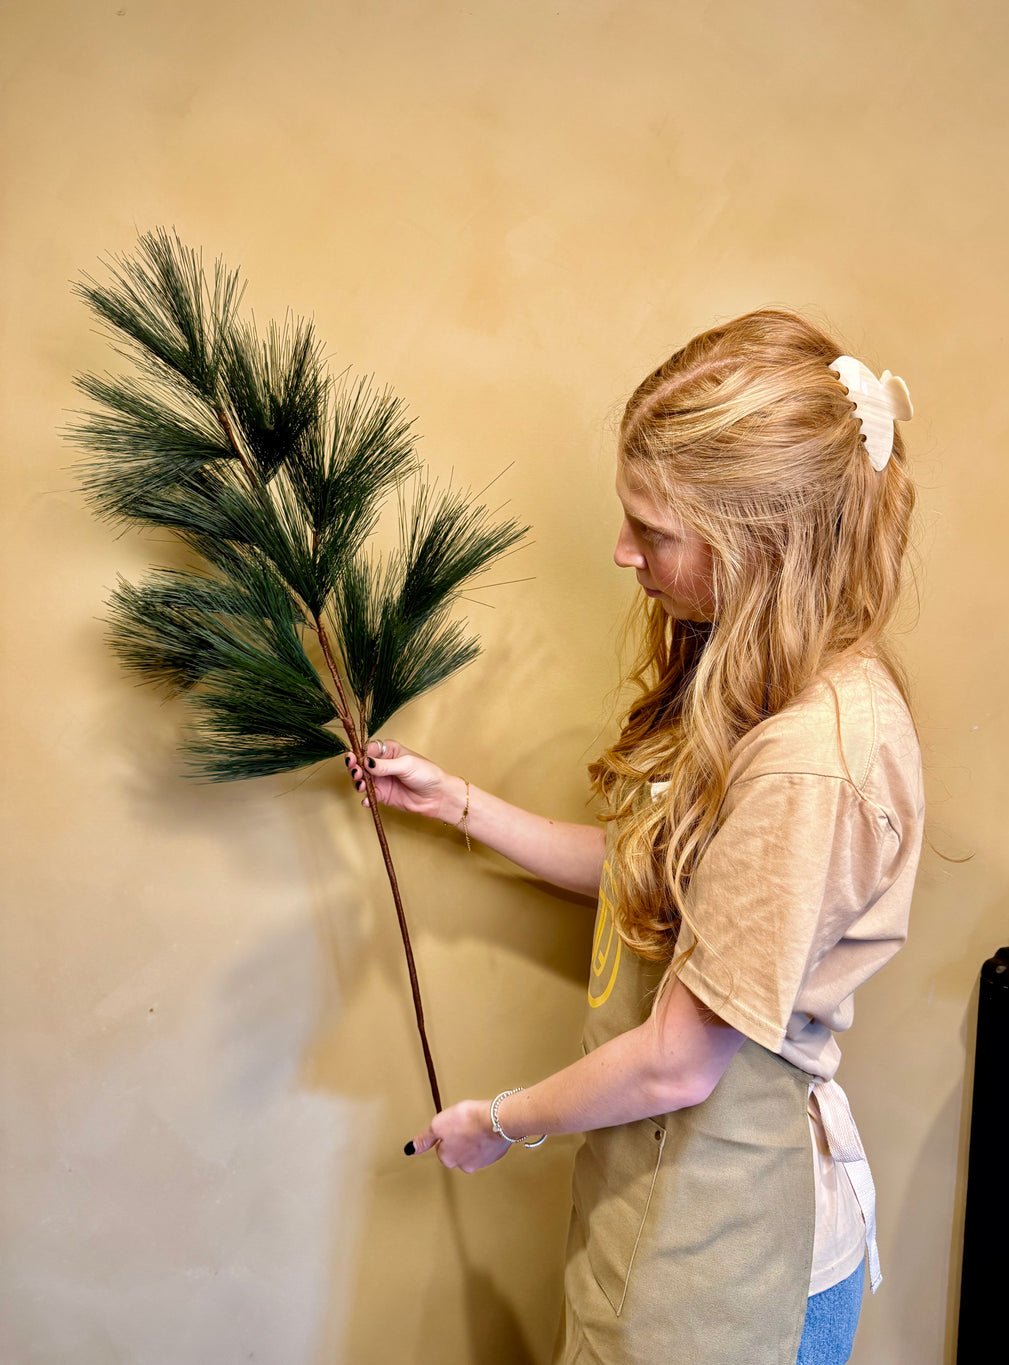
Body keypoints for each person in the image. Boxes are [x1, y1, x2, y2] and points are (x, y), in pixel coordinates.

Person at [344, 309, 924, 1365]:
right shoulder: (757, 678)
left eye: (651, 530)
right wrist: (459, 805)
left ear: (762, 544)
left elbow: (674, 1064)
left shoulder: (814, 758)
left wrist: (501, 1121)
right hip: (667, 1213)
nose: (623, 554)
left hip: (731, 1255)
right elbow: (655, 878)